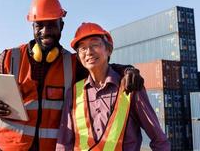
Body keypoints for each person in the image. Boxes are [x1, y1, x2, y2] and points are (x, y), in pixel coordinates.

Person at [0, 0, 144, 151]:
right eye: (39, 25)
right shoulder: (9, 58)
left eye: (52, 25)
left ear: (61, 26)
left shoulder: (74, 64)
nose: (45, 31)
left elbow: (103, 67)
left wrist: (127, 70)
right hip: (6, 147)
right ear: (32, 27)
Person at [55, 22, 170, 151]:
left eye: (95, 45)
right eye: (82, 48)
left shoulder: (130, 86)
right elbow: (64, 144)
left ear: (109, 50)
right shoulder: (74, 93)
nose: (89, 52)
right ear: (78, 56)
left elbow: (159, 140)